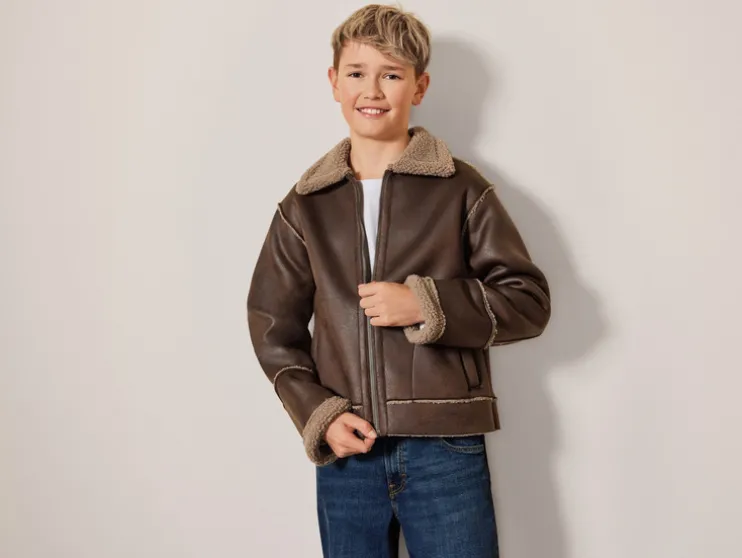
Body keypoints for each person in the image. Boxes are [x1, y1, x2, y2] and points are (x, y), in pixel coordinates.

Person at [246, 4, 550, 557]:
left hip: (445, 444)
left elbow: (527, 301)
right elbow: (272, 328)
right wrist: (318, 414)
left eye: (391, 74)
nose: (372, 89)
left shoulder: (460, 188)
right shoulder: (305, 205)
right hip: (347, 447)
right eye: (357, 73)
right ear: (334, 82)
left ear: (420, 86)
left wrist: (427, 305)